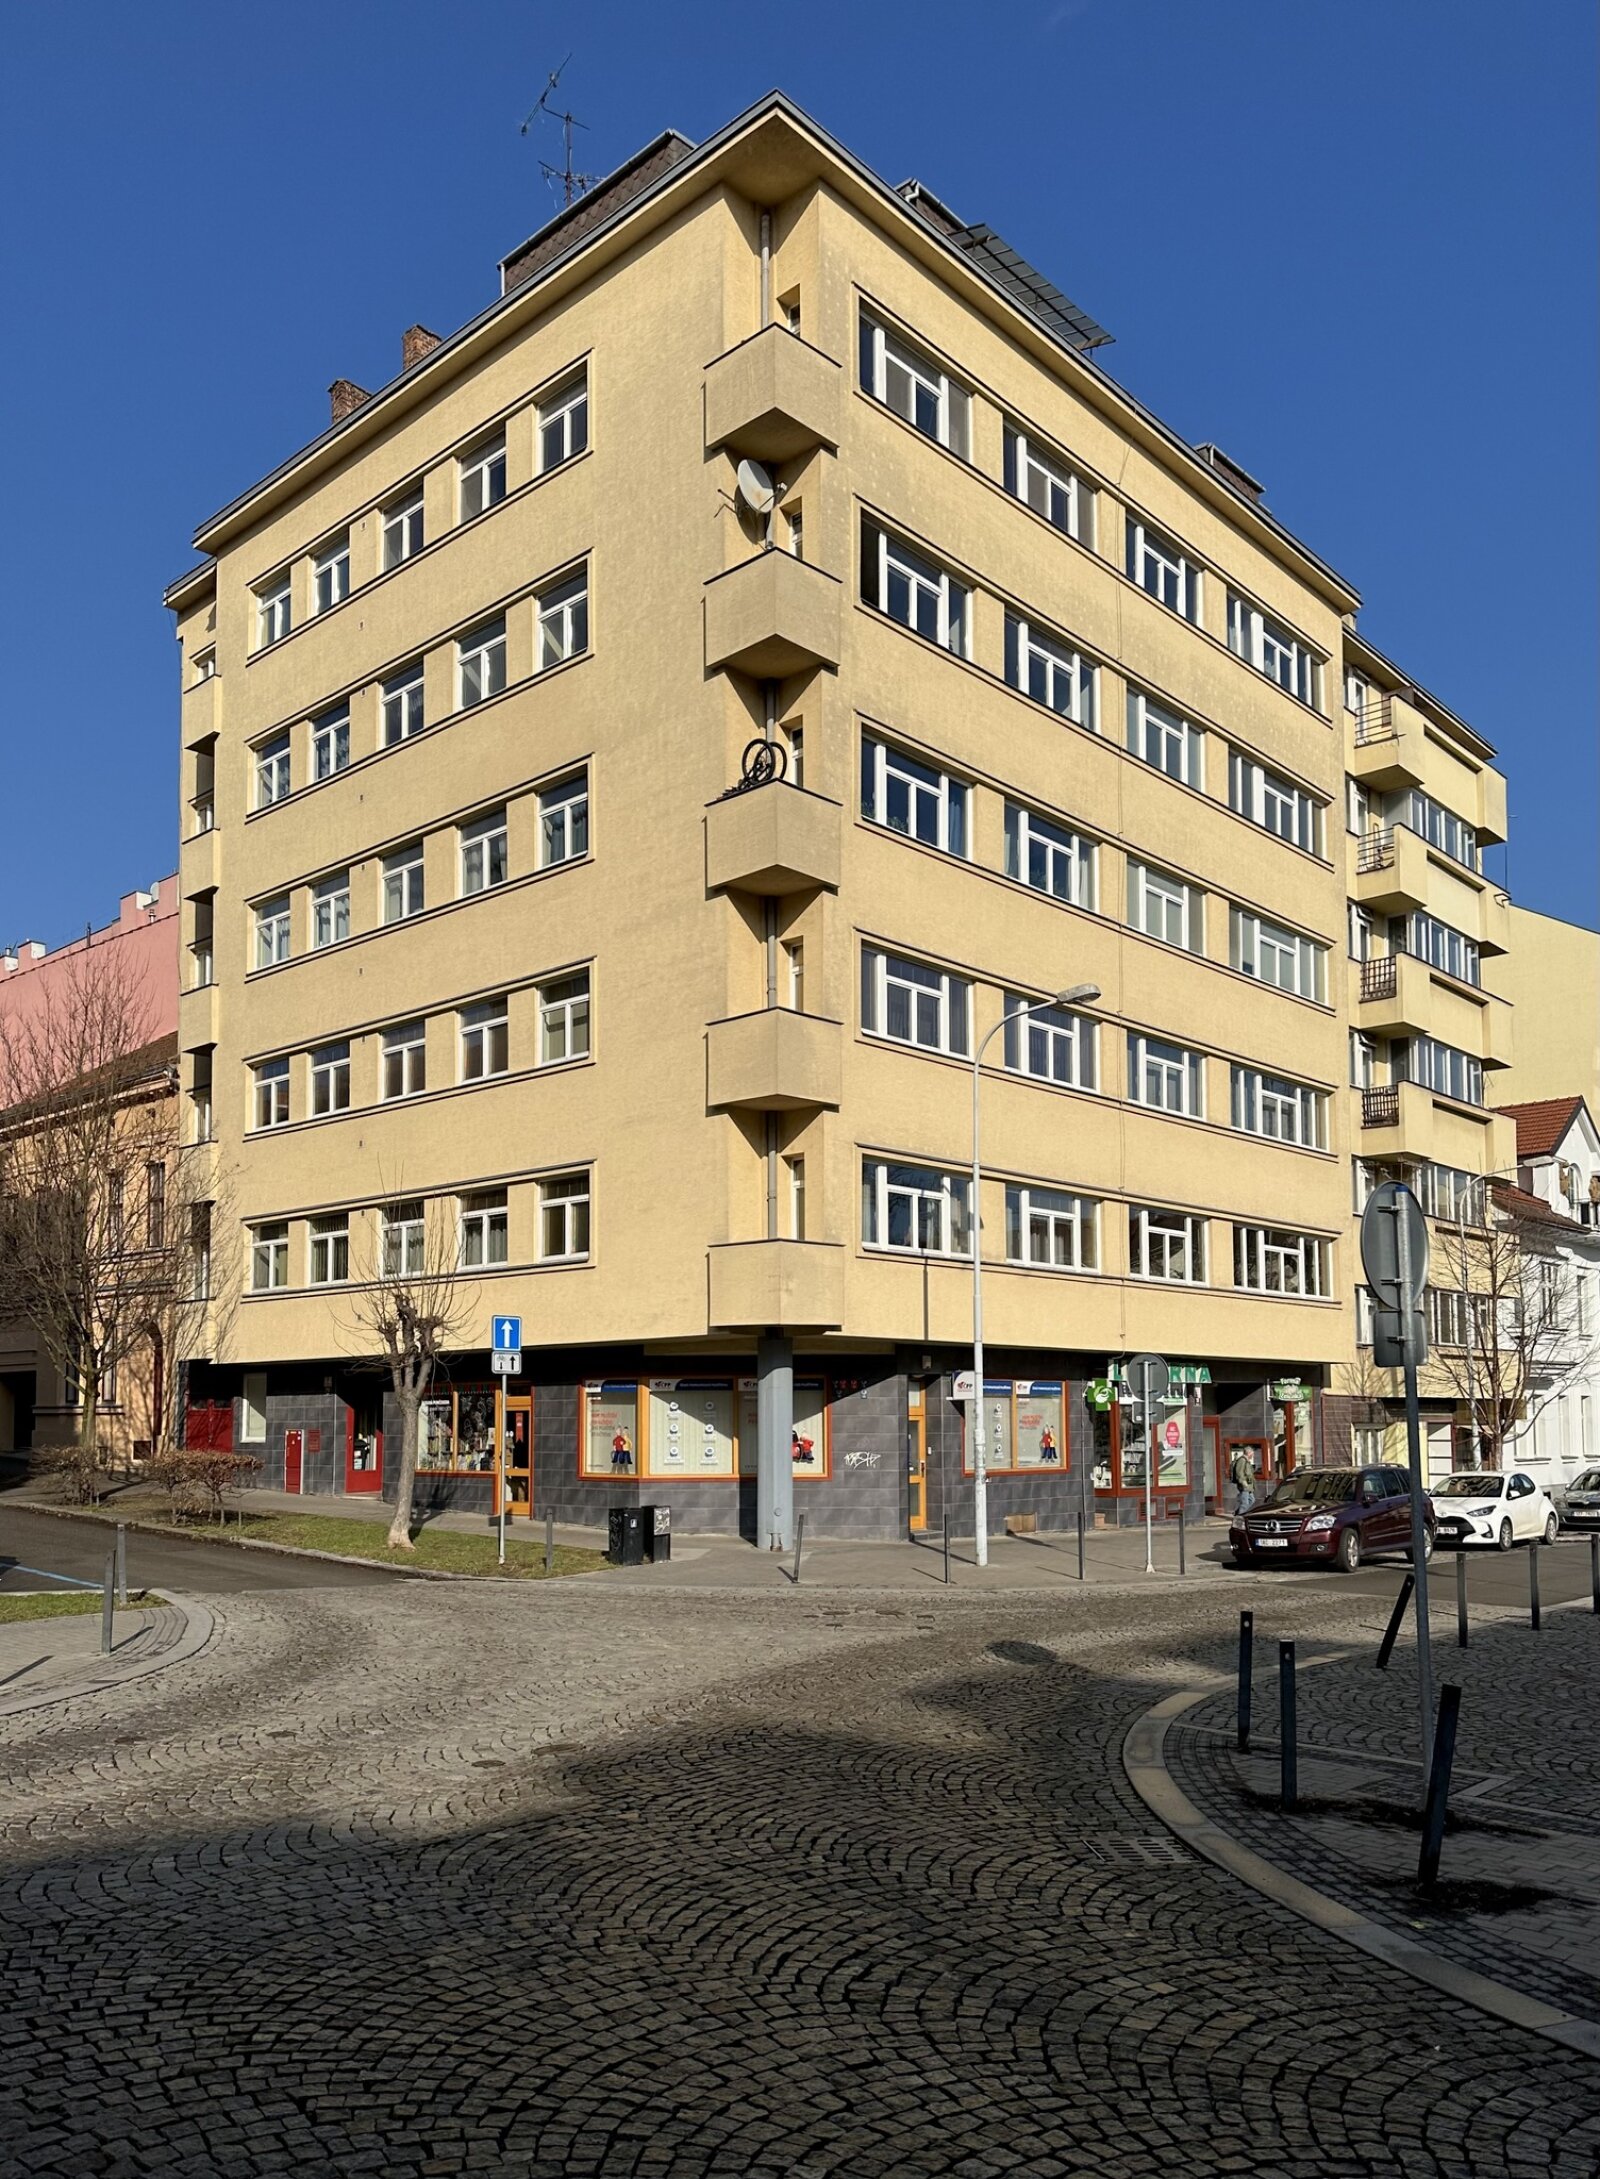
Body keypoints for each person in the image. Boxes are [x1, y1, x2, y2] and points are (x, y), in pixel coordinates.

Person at [1231, 1445, 1257, 1514]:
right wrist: (1243, 1483)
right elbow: (1239, 1473)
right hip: (1244, 1486)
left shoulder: (1247, 1461)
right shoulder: (1242, 1460)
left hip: (1249, 1486)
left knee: (1252, 1501)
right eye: (1252, 1453)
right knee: (1244, 1503)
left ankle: (1238, 1513)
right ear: (1248, 1453)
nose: (1253, 1455)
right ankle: (1240, 1516)